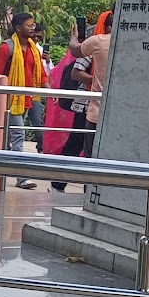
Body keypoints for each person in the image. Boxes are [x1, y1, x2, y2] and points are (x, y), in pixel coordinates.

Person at [0, 12, 49, 189]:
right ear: (18, 28)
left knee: (5, 138)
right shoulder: (6, 49)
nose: (33, 28)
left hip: (26, 99)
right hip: (9, 101)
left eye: (33, 25)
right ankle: (21, 177)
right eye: (29, 25)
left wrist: (51, 93)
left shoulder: (33, 50)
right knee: (18, 134)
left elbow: (42, 75)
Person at [68, 13, 113, 155]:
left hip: (96, 112)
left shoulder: (96, 42)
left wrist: (74, 37)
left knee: (91, 157)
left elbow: (75, 50)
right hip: (120, 114)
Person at [49, 51, 93, 192]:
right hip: (86, 107)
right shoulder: (94, 46)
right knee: (75, 145)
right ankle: (57, 185)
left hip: (100, 107)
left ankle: (90, 192)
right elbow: (76, 73)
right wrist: (98, 80)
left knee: (92, 151)